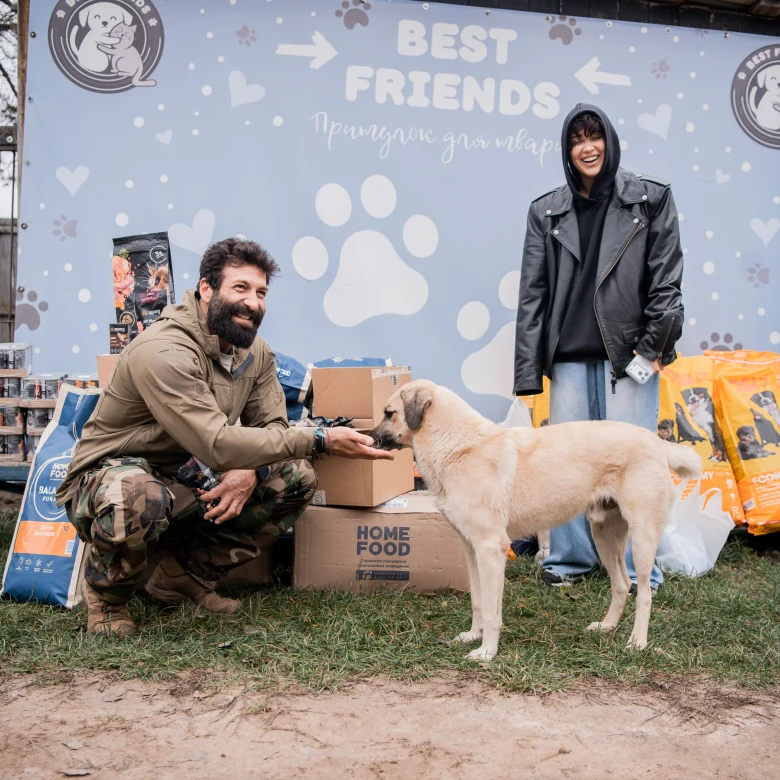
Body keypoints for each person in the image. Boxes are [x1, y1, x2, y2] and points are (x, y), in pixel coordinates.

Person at [56, 238, 392, 636]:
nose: (253, 302)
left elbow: (274, 430)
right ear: (205, 289)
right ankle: (108, 600)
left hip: (186, 476)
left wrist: (251, 469)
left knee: (294, 478)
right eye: (240, 288)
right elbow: (215, 443)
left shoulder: (255, 351)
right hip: (109, 480)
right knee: (138, 495)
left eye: (261, 292)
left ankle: (181, 576)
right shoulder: (165, 351)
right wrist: (322, 439)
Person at [513, 103, 684, 589]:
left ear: (609, 139)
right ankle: (567, 563)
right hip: (567, 359)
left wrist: (651, 352)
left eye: (595, 136)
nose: (587, 147)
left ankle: (636, 570)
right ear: (567, 150)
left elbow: (666, 284)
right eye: (576, 140)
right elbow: (534, 294)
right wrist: (528, 373)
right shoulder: (545, 211)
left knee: (630, 468)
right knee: (564, 470)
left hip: (628, 359)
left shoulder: (650, 199)